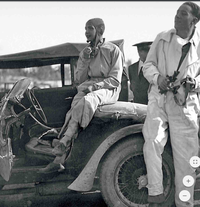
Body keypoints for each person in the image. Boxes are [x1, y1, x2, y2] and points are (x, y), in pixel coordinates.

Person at [39, 18, 124, 173]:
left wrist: (94, 87)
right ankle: (60, 156)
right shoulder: (85, 53)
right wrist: (84, 60)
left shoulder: (113, 50)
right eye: (85, 29)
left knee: (87, 100)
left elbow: (115, 80)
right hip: (89, 87)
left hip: (108, 88)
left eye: (90, 28)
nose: (86, 32)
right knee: (74, 107)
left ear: (101, 29)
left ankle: (64, 141)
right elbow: (81, 80)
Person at [142, 2, 200, 207]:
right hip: (159, 98)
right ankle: (155, 196)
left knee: (188, 162)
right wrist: (157, 78)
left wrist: (194, 83)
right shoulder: (163, 37)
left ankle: (185, 204)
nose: (176, 17)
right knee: (152, 141)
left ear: (194, 21)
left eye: (182, 14)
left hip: (185, 105)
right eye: (176, 13)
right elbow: (147, 65)